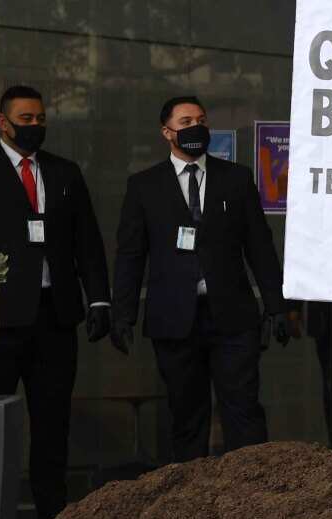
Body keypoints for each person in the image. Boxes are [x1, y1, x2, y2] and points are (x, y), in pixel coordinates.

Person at [0, 85, 112, 519]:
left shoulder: (64, 173)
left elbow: (88, 243)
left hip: (54, 316)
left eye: (40, 118)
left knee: (52, 422)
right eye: (26, 118)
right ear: (3, 123)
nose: (35, 125)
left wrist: (98, 297)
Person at [111, 96, 289, 462]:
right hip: (174, 319)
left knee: (243, 410)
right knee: (186, 415)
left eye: (202, 120)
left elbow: (259, 246)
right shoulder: (144, 186)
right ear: (167, 132)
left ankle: (252, 496)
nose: (197, 127)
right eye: (186, 121)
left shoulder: (236, 179)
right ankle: (189, 507)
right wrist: (122, 313)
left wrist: (276, 305)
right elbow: (131, 254)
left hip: (232, 317)